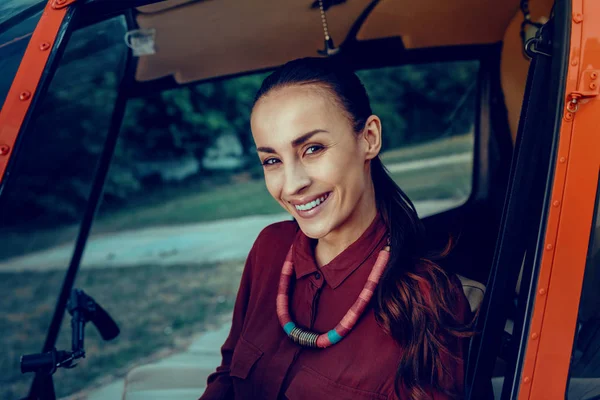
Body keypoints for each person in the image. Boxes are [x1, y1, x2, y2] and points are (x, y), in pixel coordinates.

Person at [199, 57, 473, 400]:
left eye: (312, 149)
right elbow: (227, 375)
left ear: (369, 138)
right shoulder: (269, 249)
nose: (292, 183)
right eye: (272, 160)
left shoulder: (427, 296)